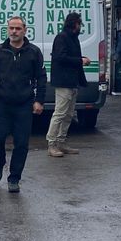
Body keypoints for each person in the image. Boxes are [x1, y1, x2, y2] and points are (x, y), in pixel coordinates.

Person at [0, 16, 46, 193]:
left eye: (17, 28)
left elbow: (41, 78)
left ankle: (14, 178)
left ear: (25, 29)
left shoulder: (34, 52)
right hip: (2, 103)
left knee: (22, 143)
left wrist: (39, 100)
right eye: (11, 28)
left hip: (24, 105)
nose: (14, 32)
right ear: (7, 30)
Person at [46, 12, 90, 157]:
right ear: (74, 23)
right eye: (79, 23)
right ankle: (51, 143)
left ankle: (61, 142)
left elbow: (69, 56)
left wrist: (81, 59)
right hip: (64, 81)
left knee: (69, 114)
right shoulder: (62, 37)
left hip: (72, 81)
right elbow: (60, 57)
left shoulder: (72, 38)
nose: (80, 26)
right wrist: (80, 61)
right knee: (59, 113)